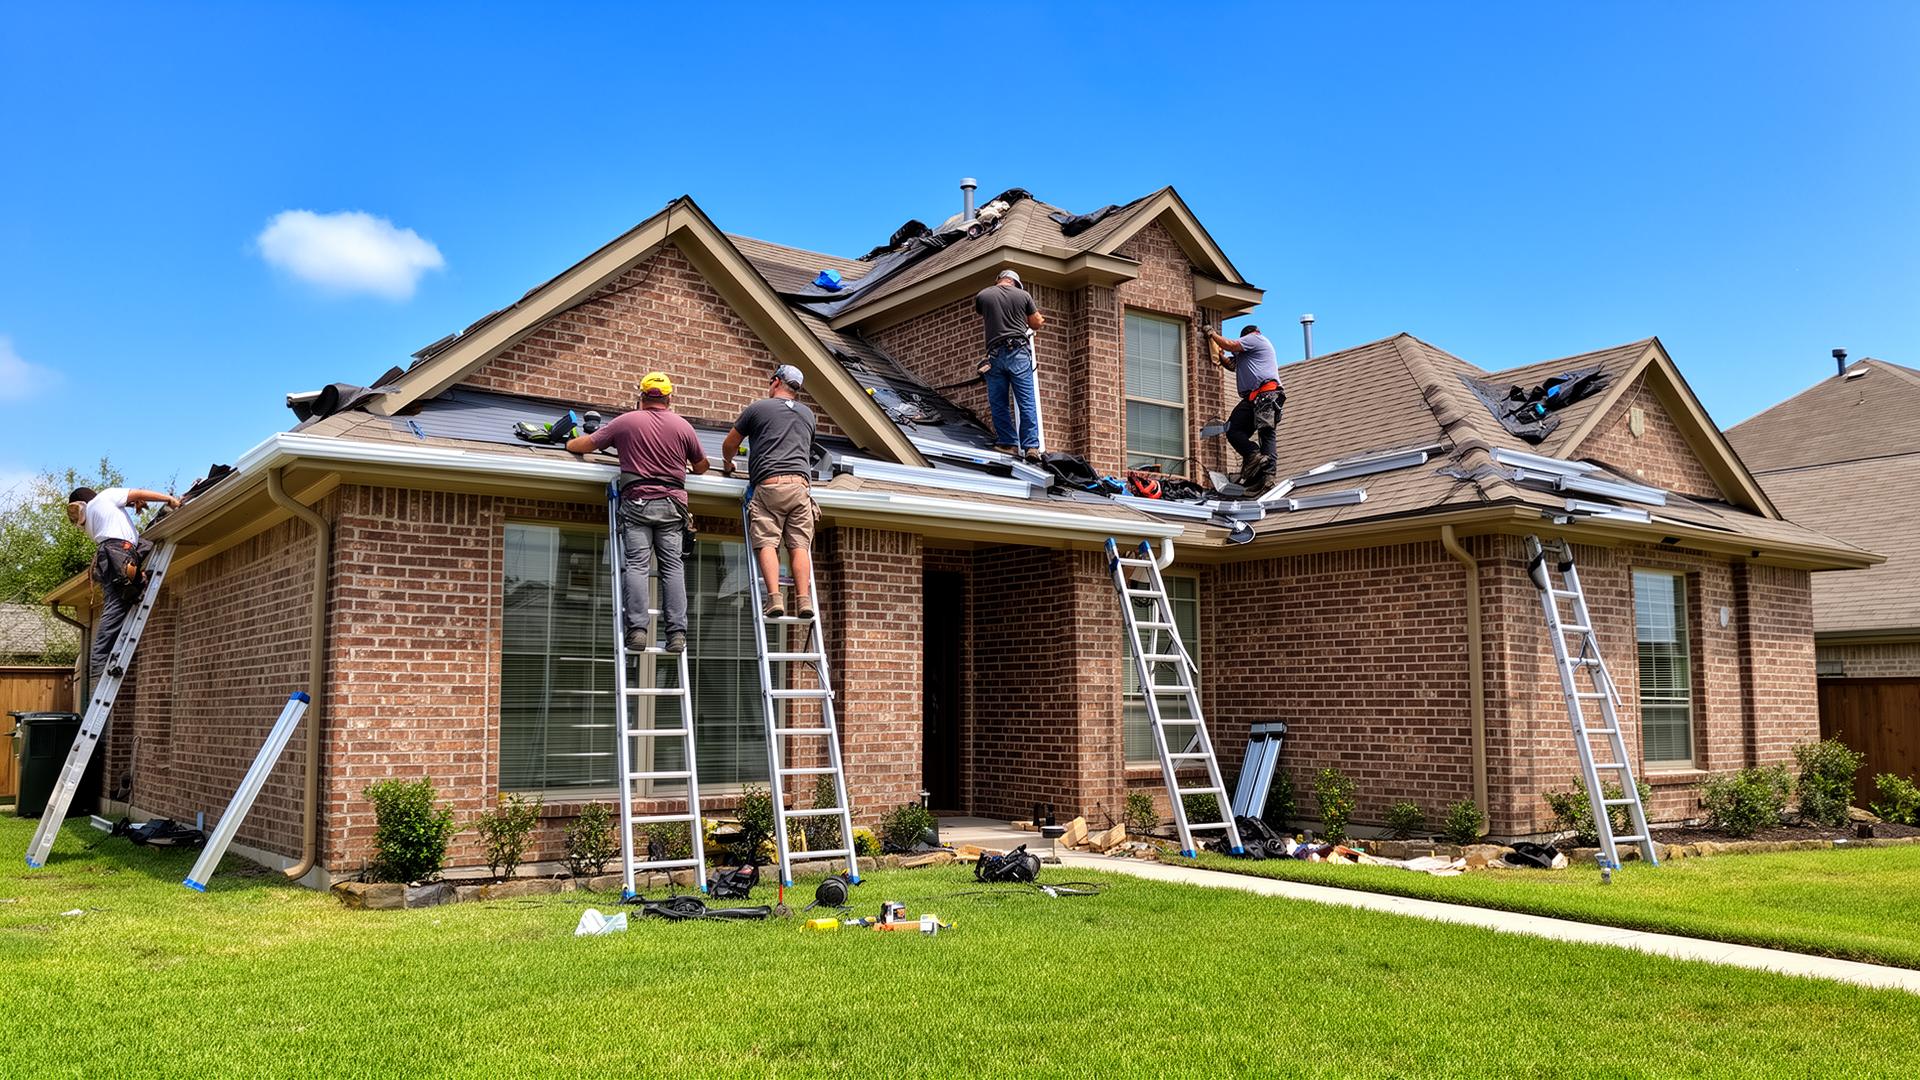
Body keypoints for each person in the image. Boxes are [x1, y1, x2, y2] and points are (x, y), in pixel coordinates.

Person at [566, 372, 710, 654]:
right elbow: (702, 465)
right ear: (670, 397)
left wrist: (571, 443)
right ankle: (677, 634)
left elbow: (589, 444)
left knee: (637, 565)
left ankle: (638, 632)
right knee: (673, 567)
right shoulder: (683, 427)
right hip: (672, 505)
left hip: (638, 501)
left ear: (641, 396)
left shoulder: (626, 421)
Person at [720, 365, 819, 620]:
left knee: (766, 542)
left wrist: (728, 464)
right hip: (800, 487)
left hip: (769, 485)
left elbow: (730, 444)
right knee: (799, 546)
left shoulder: (758, 409)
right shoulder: (808, 414)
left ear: (776, 382)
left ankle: (774, 598)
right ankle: (803, 599)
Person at [66, 485, 180, 678]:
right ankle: (100, 663)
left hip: (115, 554)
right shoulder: (106, 497)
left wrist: (131, 503)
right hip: (120, 552)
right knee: (117, 606)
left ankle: (139, 580)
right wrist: (169, 500)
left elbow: (121, 516)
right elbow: (140, 492)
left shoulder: (93, 520)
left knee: (144, 548)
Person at [973, 269, 1046, 461]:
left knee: (999, 402)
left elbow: (983, 311)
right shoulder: (1023, 295)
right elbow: (1036, 323)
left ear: (999, 280)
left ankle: (1008, 443)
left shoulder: (984, 294)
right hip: (1018, 353)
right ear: (1015, 283)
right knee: (1026, 401)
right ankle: (1031, 447)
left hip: (995, 355)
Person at [1205, 322, 1284, 487]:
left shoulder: (1257, 339)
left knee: (1266, 432)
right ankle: (1253, 456)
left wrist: (1212, 333)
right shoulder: (1246, 354)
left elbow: (1231, 345)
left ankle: (1268, 476)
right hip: (1252, 398)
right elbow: (1231, 364)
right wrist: (1219, 353)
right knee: (1233, 429)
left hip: (1267, 394)